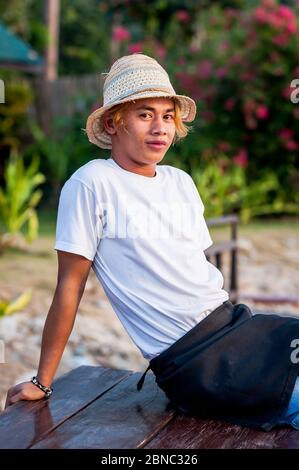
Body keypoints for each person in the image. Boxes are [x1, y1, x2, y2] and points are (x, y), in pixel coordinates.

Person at [5, 54, 299, 432]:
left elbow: (195, 271)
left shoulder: (180, 182)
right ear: (114, 122)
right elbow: (69, 286)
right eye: (145, 114)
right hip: (193, 361)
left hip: (234, 326)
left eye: (167, 115)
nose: (160, 127)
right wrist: (42, 381)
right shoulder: (92, 183)